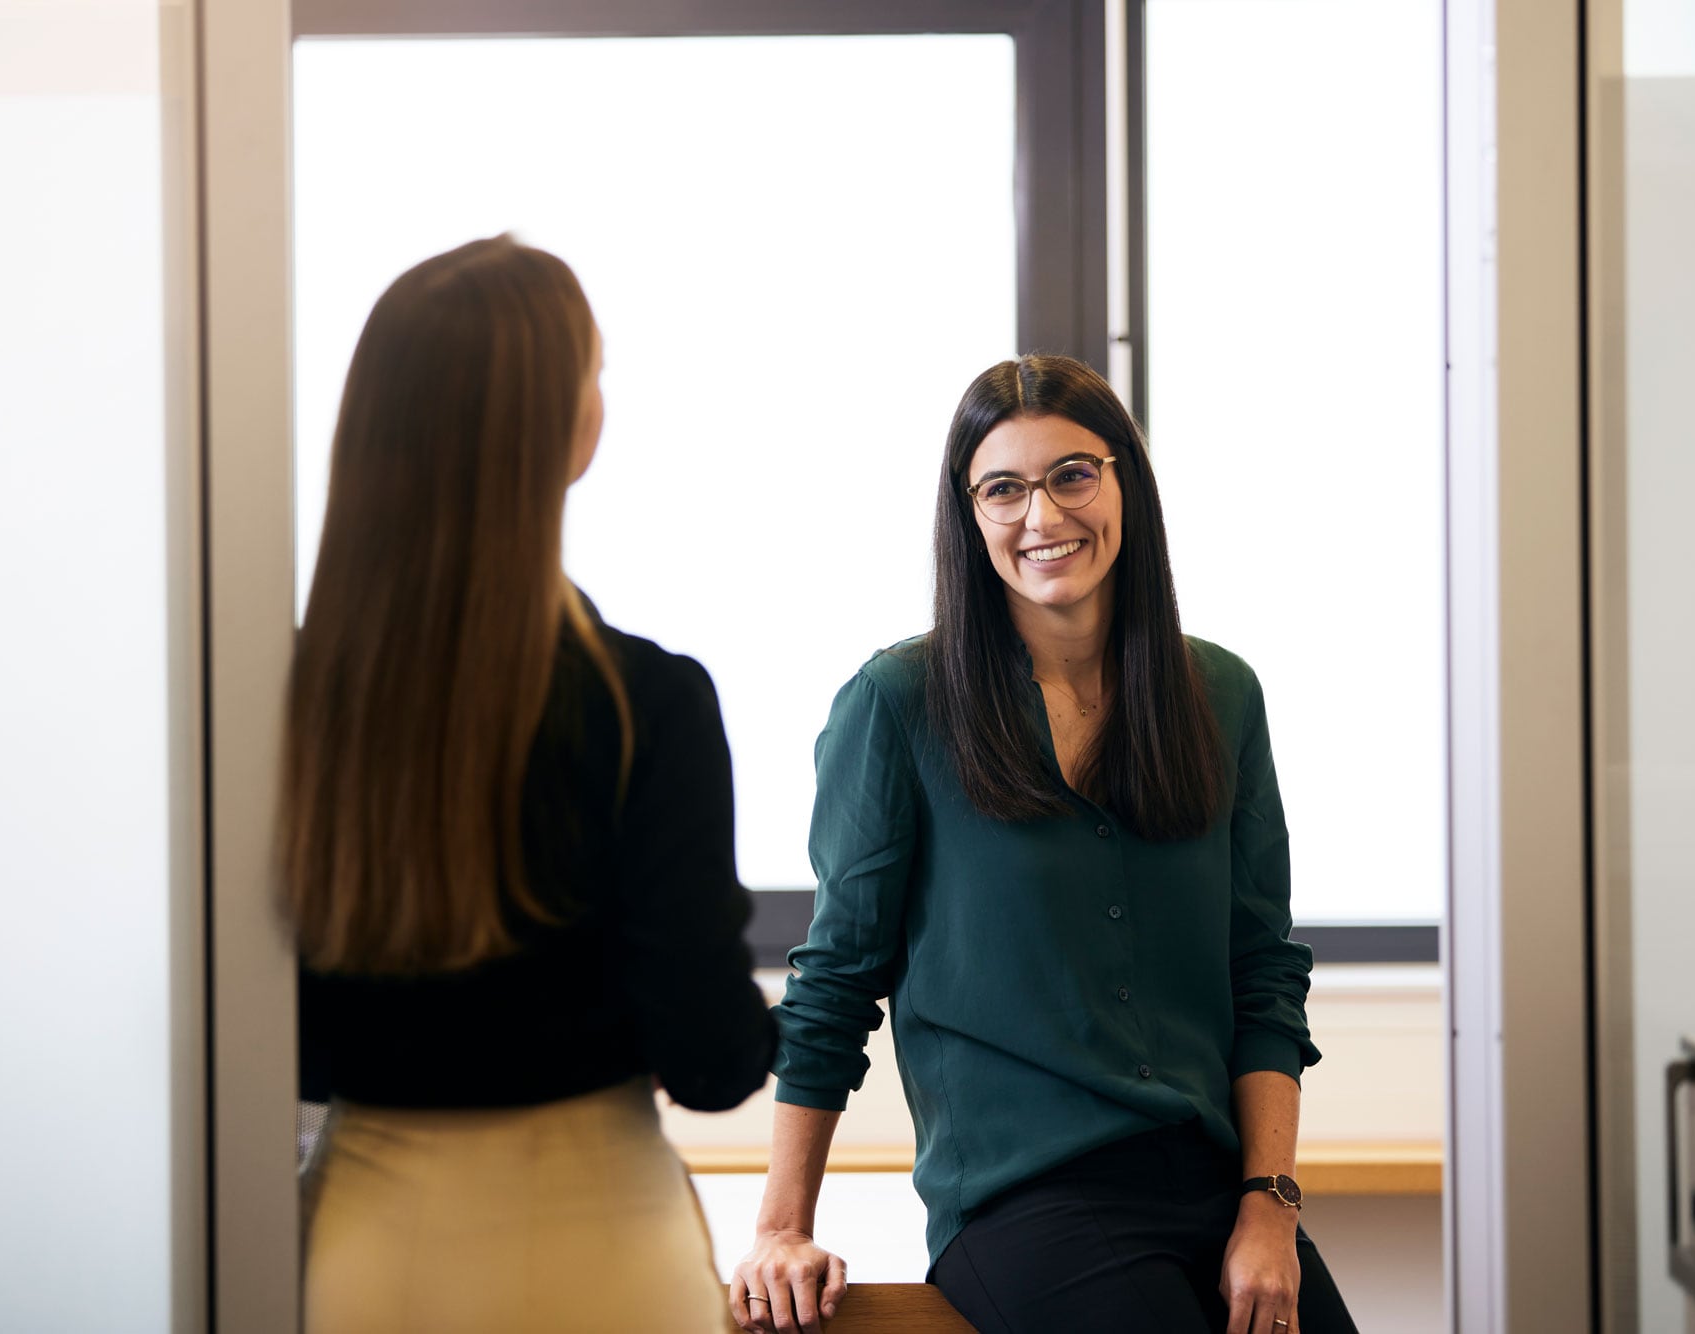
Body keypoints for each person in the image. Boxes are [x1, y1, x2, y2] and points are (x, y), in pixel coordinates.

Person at [732, 356, 1358, 1334]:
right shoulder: (898, 703)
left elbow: (1261, 969)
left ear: (1123, 483)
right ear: (969, 513)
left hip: (1217, 1183)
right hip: (1023, 1200)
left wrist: (1269, 1203)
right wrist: (780, 1228)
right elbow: (837, 980)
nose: (1042, 514)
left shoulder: (1221, 695)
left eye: (1072, 475)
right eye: (1003, 489)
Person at [284, 235, 775, 1333]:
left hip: (366, 1257)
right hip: (599, 1249)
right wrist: (783, 1026)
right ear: (568, 428)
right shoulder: (647, 699)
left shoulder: (286, 700)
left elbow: (275, 1028)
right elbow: (709, 1061)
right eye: (594, 370)